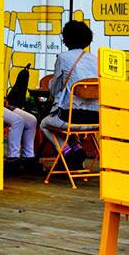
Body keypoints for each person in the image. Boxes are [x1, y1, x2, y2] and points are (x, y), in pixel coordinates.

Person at [40, 20, 98, 167]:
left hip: (71, 117)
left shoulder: (63, 58)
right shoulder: (96, 60)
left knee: (45, 123)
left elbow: (54, 89)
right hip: (95, 120)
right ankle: (77, 148)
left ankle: (67, 152)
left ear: (67, 38)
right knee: (62, 124)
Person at [3, 99, 38, 172]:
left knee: (31, 120)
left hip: (2, 104)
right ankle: (13, 158)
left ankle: (28, 158)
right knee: (18, 121)